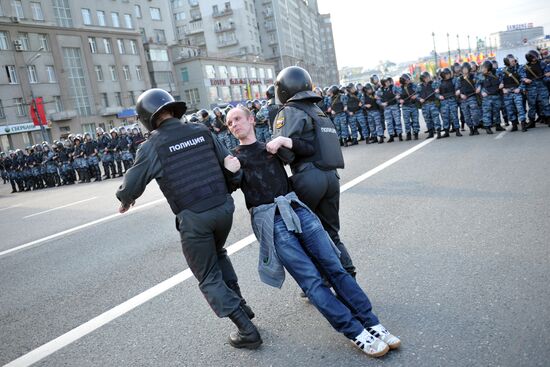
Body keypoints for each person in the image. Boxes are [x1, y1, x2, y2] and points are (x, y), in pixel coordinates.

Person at [226, 106, 400, 358]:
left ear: (251, 120)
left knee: (335, 267)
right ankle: (355, 332)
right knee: (312, 281)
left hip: (297, 209)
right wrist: (230, 173)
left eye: (238, 119)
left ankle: (373, 323)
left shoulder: (271, 148)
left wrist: (285, 141)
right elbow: (229, 188)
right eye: (229, 123)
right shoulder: (235, 158)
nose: (233, 125)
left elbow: (309, 150)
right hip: (270, 220)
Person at [116, 88, 261, 350]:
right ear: (173, 109)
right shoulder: (201, 131)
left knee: (207, 276)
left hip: (195, 217)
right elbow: (228, 163)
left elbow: (130, 187)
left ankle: (246, 329)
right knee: (217, 254)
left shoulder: (152, 147)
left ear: (147, 118)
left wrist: (125, 199)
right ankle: (242, 306)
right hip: (223, 209)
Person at [270, 66, 357, 278]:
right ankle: (347, 272)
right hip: (331, 177)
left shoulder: (290, 111)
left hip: (308, 176)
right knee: (330, 232)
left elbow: (286, 154)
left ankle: (320, 282)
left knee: (304, 233)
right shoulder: (318, 111)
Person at [501, 54, 527, 132]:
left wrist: (519, 88)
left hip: (516, 91)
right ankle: (514, 125)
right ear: (507, 62)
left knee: (520, 108)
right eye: (512, 61)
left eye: (514, 60)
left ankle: (523, 124)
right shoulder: (502, 71)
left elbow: (523, 79)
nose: (514, 62)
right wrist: (502, 88)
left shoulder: (519, 68)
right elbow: (500, 82)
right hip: (507, 93)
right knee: (510, 109)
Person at [477, 60, 503, 134]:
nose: (482, 69)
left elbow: (502, 79)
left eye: (484, 68)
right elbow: (478, 84)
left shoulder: (497, 73)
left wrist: (502, 84)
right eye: (482, 68)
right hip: (487, 97)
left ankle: (498, 125)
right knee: (487, 112)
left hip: (496, 95)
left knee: (497, 112)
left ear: (488, 68)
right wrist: (481, 90)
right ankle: (487, 127)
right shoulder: (481, 76)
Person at [436, 68, 462, 138]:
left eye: (448, 74)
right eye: (446, 74)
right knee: (445, 117)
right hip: (444, 101)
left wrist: (458, 91)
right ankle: (446, 131)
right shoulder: (439, 82)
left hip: (452, 100)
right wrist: (439, 96)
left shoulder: (454, 80)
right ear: (443, 75)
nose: (447, 75)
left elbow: (458, 87)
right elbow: (436, 93)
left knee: (454, 116)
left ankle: (457, 131)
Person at [456, 62, 482, 136]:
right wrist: (460, 94)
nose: (465, 70)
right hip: (464, 99)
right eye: (463, 69)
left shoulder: (473, 76)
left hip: (472, 97)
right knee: (466, 115)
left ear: (468, 69)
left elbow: (479, 83)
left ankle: (476, 128)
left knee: (475, 114)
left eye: (466, 68)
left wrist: (478, 87)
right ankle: (471, 128)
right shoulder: (459, 79)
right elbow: (457, 89)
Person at [417, 72, 442, 139]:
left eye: (428, 77)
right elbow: (417, 95)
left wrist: (437, 91)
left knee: (435, 118)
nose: (427, 78)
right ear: (423, 78)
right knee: (427, 119)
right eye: (425, 77)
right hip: (424, 104)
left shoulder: (433, 84)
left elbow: (438, 89)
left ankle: (438, 132)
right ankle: (431, 132)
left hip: (432, 103)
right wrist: (420, 99)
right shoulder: (419, 86)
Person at [399, 73, 420, 140]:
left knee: (415, 120)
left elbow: (419, 92)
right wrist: (400, 100)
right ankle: (408, 134)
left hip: (413, 105)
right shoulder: (400, 88)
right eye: (407, 79)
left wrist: (416, 96)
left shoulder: (414, 86)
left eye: (408, 79)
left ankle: (416, 133)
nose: (408, 80)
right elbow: (397, 97)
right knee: (406, 121)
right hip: (405, 106)